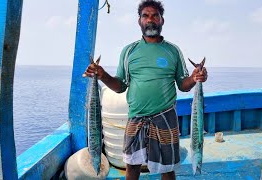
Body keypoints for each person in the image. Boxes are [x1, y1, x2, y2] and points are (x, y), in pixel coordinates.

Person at [84, 0, 208, 179]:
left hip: (165, 116)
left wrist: (196, 78)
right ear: (139, 21)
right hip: (136, 116)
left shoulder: (173, 51)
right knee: (132, 166)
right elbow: (120, 86)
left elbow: (183, 84)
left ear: (162, 20)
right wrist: (102, 75)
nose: (150, 20)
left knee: (168, 168)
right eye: (146, 16)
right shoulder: (129, 51)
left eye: (155, 16)